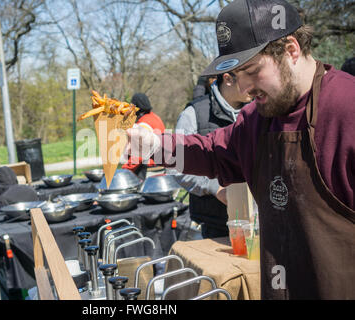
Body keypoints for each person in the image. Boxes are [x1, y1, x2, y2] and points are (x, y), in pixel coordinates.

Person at [126, 0, 355, 299]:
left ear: (291, 50)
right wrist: (157, 146)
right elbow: (210, 152)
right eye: (236, 75)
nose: (245, 88)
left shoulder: (346, 107)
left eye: (252, 70)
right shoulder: (254, 121)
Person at [174, 73, 252, 239]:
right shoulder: (193, 113)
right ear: (228, 79)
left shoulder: (259, 109)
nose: (255, 82)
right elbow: (177, 167)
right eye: (248, 75)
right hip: (213, 227)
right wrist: (215, 189)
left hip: (257, 224)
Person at [122, 93, 165, 180]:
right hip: (162, 167)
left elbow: (137, 155)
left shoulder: (142, 124)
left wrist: (125, 170)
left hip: (147, 169)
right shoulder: (156, 118)